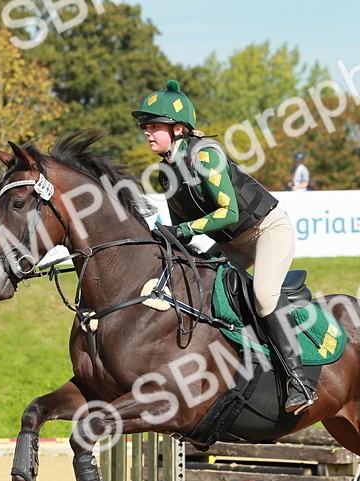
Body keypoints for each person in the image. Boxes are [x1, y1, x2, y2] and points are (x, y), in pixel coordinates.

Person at [133, 79, 315, 414]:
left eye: (153, 126)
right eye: (145, 126)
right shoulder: (166, 170)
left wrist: (182, 229)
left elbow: (227, 211)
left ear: (177, 129)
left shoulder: (205, 156)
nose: (146, 132)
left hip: (267, 231)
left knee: (262, 294)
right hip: (232, 243)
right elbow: (182, 232)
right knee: (198, 287)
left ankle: (298, 380)